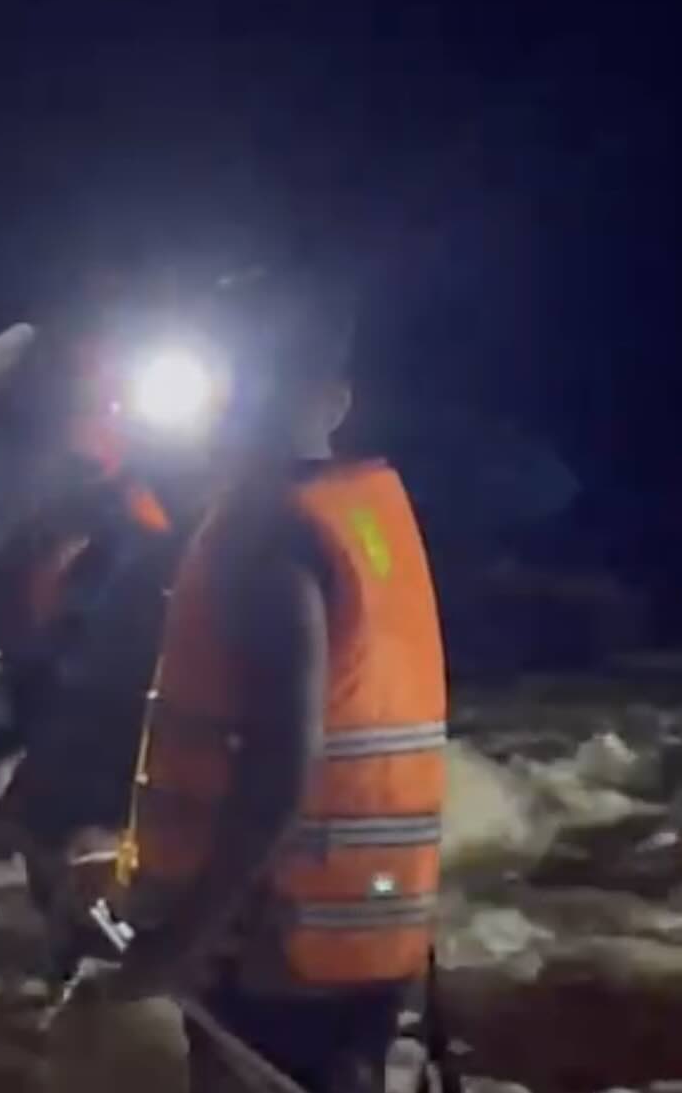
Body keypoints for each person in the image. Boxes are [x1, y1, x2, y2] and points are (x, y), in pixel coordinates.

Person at [97, 279, 447, 1093]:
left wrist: (180, 936)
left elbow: (279, 772)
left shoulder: (266, 538)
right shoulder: (365, 519)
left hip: (272, 948)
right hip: (372, 937)